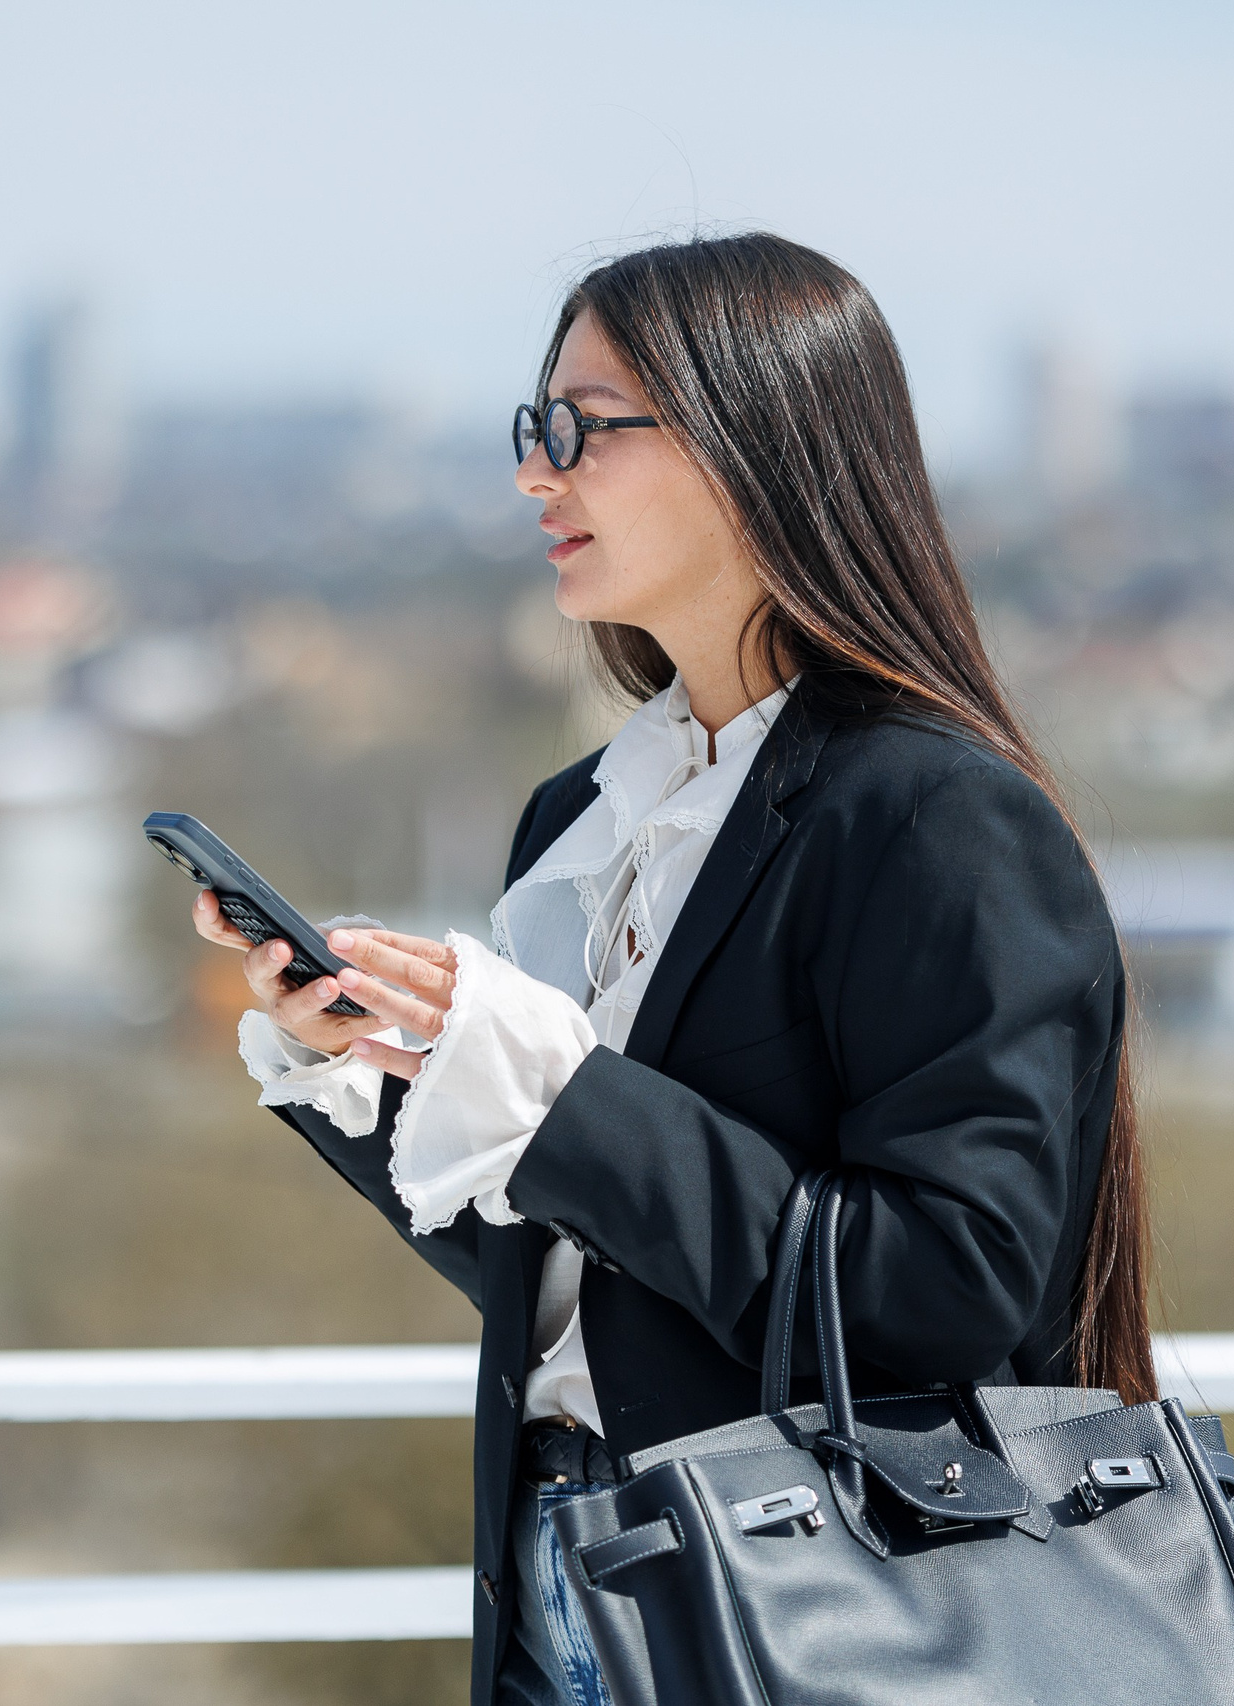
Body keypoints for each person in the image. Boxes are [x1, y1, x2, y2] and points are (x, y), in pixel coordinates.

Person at [194, 232, 1152, 1706]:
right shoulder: (582, 820)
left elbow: (949, 1288)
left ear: (752, 441)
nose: (536, 473)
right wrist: (364, 1070)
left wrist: (556, 1087)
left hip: (827, 1613)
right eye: (533, 427)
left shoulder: (937, 818)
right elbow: (579, 1276)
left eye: (581, 426)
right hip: (572, 1580)